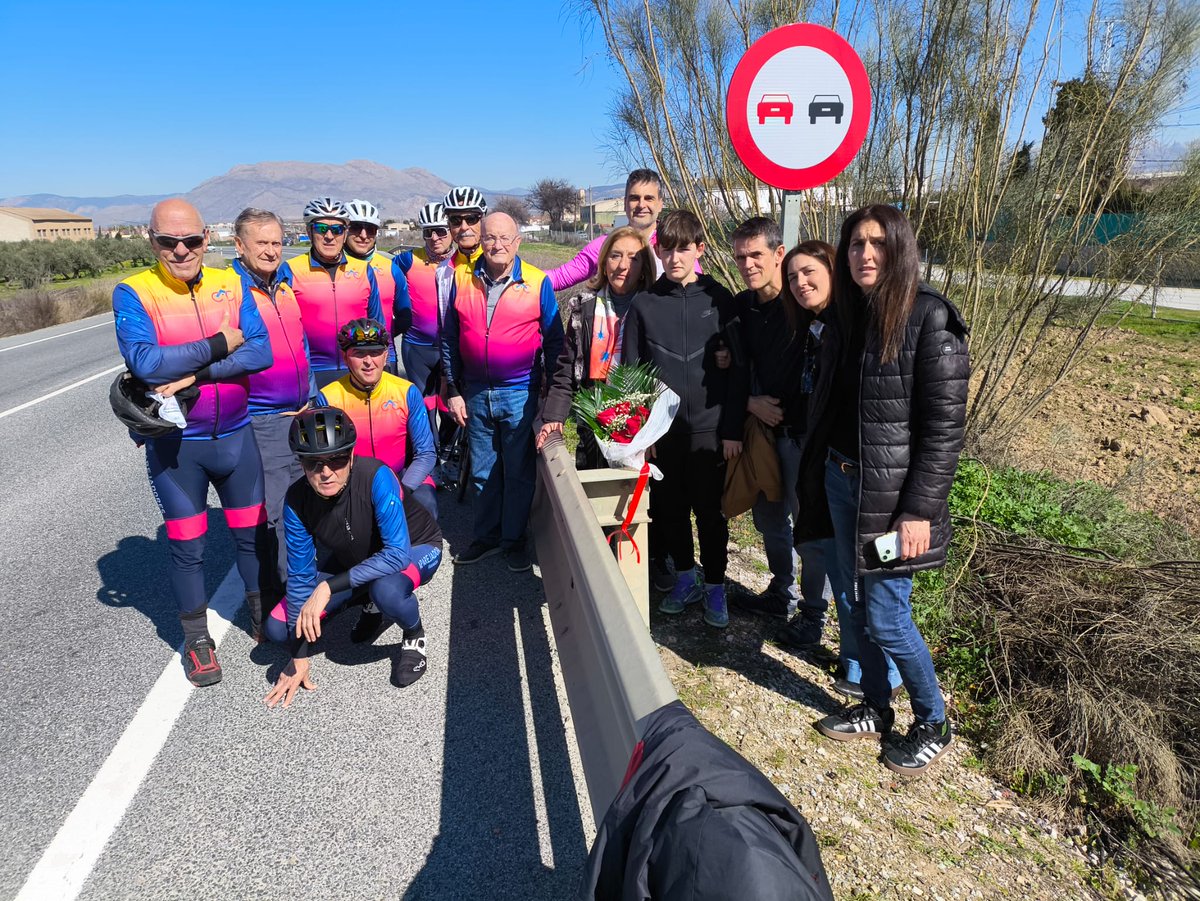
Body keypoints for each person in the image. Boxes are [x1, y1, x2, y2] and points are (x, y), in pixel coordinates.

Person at [811, 204, 969, 776]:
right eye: (856, 244)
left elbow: (944, 429)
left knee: (887, 617)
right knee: (853, 606)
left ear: (900, 249)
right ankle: (876, 707)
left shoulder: (930, 317)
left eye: (877, 243)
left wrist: (919, 510)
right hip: (841, 480)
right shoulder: (848, 314)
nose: (865, 254)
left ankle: (933, 721)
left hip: (892, 501)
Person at [112, 198, 272, 685]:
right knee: (188, 547)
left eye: (190, 240)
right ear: (152, 240)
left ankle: (262, 617)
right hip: (179, 448)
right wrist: (222, 344)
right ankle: (198, 640)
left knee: (252, 537)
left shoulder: (231, 282)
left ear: (206, 238)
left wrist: (195, 373)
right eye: (168, 241)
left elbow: (261, 351)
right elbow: (146, 364)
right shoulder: (134, 292)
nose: (180, 250)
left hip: (238, 437)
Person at [264, 406, 443, 707]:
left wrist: (328, 587)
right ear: (301, 463)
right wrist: (299, 655)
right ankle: (368, 598)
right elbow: (299, 576)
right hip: (357, 557)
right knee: (278, 627)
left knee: (386, 589)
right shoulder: (296, 500)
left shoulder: (376, 476)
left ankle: (413, 633)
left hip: (416, 547)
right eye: (313, 463)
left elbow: (397, 556)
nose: (326, 472)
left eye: (336, 459)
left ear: (350, 455)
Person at [621, 209, 748, 628]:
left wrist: (732, 430)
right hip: (665, 434)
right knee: (671, 510)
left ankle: (715, 586)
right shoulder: (644, 304)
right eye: (667, 249)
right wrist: (642, 435)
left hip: (712, 431)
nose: (675, 258)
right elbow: (633, 374)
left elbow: (740, 370)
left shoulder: (720, 299)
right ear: (657, 250)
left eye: (683, 248)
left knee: (711, 514)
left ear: (700, 249)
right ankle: (685, 577)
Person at [442, 212, 564, 572]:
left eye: (505, 238)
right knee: (482, 471)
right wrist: (453, 389)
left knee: (518, 471)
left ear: (517, 242)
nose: (497, 245)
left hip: (520, 392)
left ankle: (514, 541)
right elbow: (449, 338)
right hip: (476, 392)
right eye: (490, 238)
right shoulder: (461, 279)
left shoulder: (538, 282)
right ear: (481, 241)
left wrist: (551, 398)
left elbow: (555, 344)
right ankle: (486, 537)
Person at [232, 207, 317, 636]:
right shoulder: (231, 289)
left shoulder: (283, 283)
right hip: (264, 419)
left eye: (276, 242)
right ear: (239, 245)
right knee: (278, 514)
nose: (270, 250)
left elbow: (300, 343)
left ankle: (301, 592)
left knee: (306, 505)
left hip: (302, 411)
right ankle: (280, 607)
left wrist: (313, 394)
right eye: (261, 242)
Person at [536, 226, 656, 468]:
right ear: (603, 262)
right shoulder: (584, 309)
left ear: (644, 267)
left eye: (633, 258)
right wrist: (553, 417)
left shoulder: (655, 309)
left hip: (644, 431)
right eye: (615, 256)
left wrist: (653, 432)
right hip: (593, 424)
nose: (622, 265)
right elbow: (566, 369)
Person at [317, 318, 436, 518]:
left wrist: (401, 491)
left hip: (401, 476)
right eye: (359, 354)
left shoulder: (406, 391)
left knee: (426, 502)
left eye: (375, 352)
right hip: (352, 481)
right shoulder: (329, 398)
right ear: (345, 357)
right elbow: (325, 459)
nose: (368, 361)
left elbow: (426, 453)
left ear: (385, 355)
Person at [286, 197, 384, 388]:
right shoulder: (290, 270)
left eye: (337, 229)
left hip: (358, 371)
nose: (329, 236)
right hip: (311, 373)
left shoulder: (364, 270)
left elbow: (378, 325)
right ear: (309, 231)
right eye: (321, 229)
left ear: (345, 233)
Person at [546, 169, 666, 291]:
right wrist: (531, 275)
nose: (641, 205)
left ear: (660, 204)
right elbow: (558, 278)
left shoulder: (672, 244)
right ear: (625, 203)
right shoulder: (605, 244)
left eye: (649, 198)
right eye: (634, 198)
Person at [392, 202, 454, 403]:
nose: (434, 238)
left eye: (440, 231)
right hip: (416, 347)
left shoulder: (462, 261)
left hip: (451, 349)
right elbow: (379, 275)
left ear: (451, 230)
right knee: (425, 409)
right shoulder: (407, 260)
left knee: (451, 409)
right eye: (428, 232)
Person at [344, 198, 398, 372]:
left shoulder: (391, 267)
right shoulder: (330, 268)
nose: (363, 235)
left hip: (383, 355)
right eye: (355, 227)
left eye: (370, 229)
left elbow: (405, 318)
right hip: (341, 358)